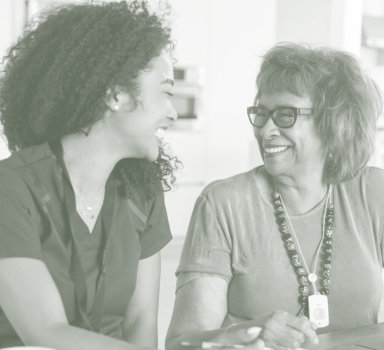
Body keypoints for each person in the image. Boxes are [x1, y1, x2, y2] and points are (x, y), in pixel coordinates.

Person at [166, 43, 384, 350]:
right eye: (261, 113)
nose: (265, 130)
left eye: (285, 115)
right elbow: (180, 344)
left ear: (333, 123)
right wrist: (248, 332)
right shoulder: (223, 204)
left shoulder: (373, 194)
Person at [0, 1, 179, 349]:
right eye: (166, 92)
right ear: (115, 96)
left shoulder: (143, 191)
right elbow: (45, 333)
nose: (172, 113)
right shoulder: (11, 189)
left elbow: (141, 322)